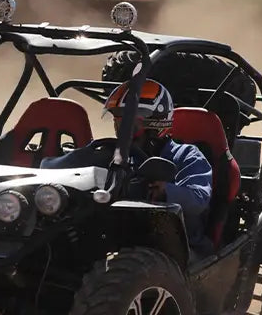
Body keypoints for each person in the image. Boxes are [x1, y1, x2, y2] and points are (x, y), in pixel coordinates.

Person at [41, 79, 214, 256]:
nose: (120, 131)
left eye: (129, 125)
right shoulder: (115, 155)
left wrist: (165, 191)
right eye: (117, 123)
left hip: (178, 250)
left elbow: (199, 198)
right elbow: (55, 167)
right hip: (122, 240)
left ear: (154, 125)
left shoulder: (186, 154)